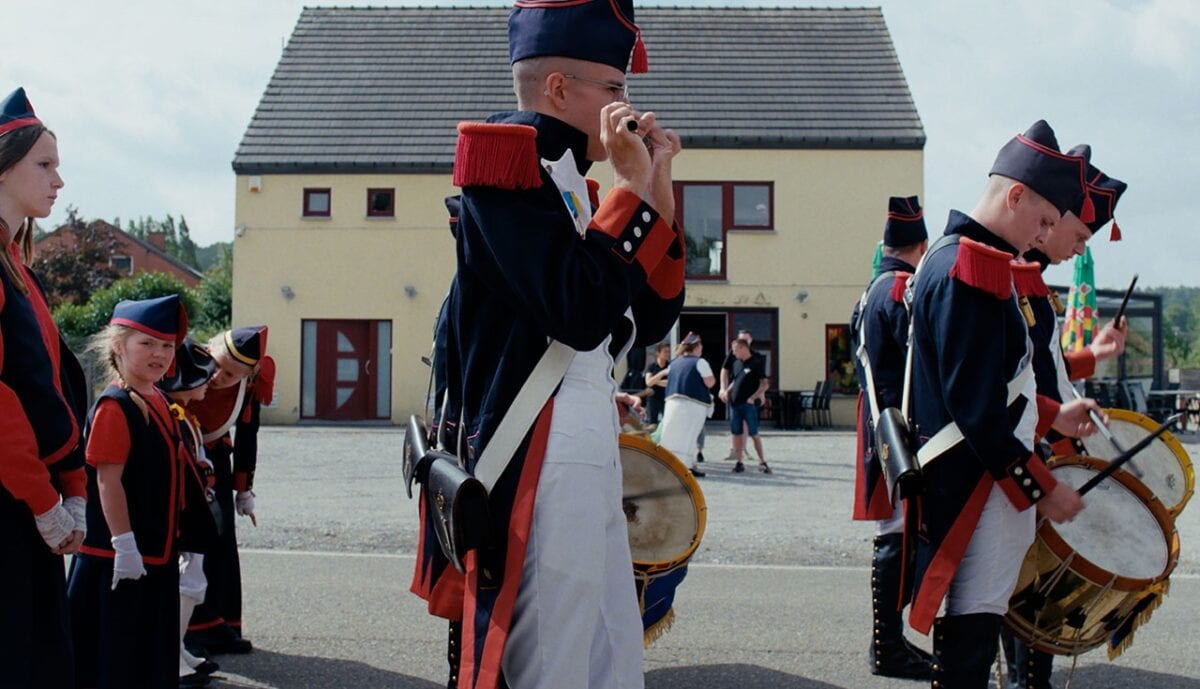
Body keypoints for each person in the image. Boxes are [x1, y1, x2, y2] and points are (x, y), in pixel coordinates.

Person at [426, 2, 685, 687]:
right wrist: (632, 192)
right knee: (554, 657)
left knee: (610, 647)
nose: (628, 107)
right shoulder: (504, 163)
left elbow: (652, 317)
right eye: (615, 89)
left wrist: (653, 186)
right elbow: (577, 309)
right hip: (538, 439)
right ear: (559, 89)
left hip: (582, 429)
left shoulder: (578, 184)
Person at [905, 120, 1103, 688]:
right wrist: (1046, 487)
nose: (1043, 237)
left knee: (974, 635)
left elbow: (998, 385)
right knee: (971, 639)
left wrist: (1050, 414)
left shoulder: (961, 258)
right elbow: (976, 409)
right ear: (1014, 195)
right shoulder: (972, 268)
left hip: (982, 477)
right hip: (978, 482)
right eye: (1042, 221)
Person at [1001, 148, 1127, 689]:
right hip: (1031, 446)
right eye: (1075, 233)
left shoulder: (1036, 280)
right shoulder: (1018, 276)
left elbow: (1049, 369)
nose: (1077, 245)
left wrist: (1093, 358)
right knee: (1026, 587)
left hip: (1048, 436)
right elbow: (1022, 389)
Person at [68, 295, 200, 688]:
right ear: (117, 346)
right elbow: (109, 481)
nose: (159, 354)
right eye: (147, 344)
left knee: (146, 658)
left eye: (166, 345)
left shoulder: (156, 398)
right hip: (119, 559)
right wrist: (124, 545)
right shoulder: (116, 405)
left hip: (152, 555)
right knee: (115, 661)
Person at [0, 86, 84, 689]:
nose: (58, 180)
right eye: (44, 164)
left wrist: (69, 489)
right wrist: (46, 500)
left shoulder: (17, 266)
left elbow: (49, 385)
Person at [848, 195, 931, 678]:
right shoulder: (900, 289)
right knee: (898, 532)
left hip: (880, 423)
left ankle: (891, 642)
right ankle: (888, 647)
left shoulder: (871, 290)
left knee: (896, 530)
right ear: (919, 245)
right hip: (898, 426)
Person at [185, 326, 273, 656]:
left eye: (231, 373)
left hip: (216, 459)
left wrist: (244, 490)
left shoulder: (247, 389)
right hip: (182, 455)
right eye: (218, 365)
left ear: (247, 376)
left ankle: (221, 625)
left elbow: (248, 436)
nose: (219, 376)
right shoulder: (188, 362)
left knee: (221, 541)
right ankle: (189, 627)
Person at [159, 337, 223, 687]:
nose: (207, 382)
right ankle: (170, 653)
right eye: (199, 377)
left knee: (194, 582)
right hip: (184, 511)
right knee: (188, 582)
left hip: (193, 506)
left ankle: (178, 647)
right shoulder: (175, 414)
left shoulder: (184, 415)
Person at [659, 333, 715, 478]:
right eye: (700, 345)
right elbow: (710, 382)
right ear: (696, 347)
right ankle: (686, 466)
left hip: (672, 403)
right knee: (689, 435)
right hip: (692, 404)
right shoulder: (700, 362)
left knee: (671, 435)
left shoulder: (674, 362)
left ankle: (667, 464)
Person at [720, 337, 770, 474]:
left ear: (743, 348)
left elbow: (764, 383)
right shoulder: (736, 363)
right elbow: (735, 380)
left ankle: (762, 461)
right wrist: (726, 391)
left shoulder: (756, 362)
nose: (734, 353)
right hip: (735, 404)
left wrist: (754, 397)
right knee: (736, 433)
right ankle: (739, 462)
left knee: (754, 433)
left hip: (748, 405)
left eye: (735, 350)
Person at [643, 341, 671, 425]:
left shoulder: (670, 366)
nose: (667, 354)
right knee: (652, 423)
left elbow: (669, 383)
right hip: (653, 398)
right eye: (665, 352)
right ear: (658, 353)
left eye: (668, 351)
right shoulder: (651, 366)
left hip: (666, 398)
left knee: (667, 422)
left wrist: (654, 380)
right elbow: (648, 383)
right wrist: (662, 373)